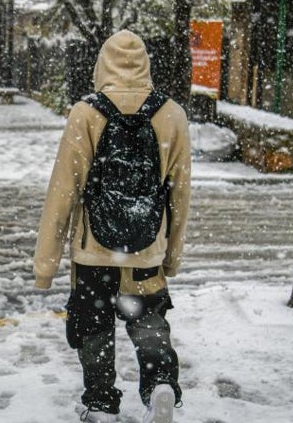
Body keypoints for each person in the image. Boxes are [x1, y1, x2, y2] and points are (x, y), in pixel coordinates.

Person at [33, 30, 191, 423]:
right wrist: (170, 255)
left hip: (93, 249)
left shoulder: (85, 113)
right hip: (146, 244)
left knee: (94, 321)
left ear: (102, 64)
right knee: (147, 314)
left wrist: (45, 264)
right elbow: (180, 195)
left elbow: (62, 193)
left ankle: (101, 403)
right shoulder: (171, 114)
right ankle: (160, 384)